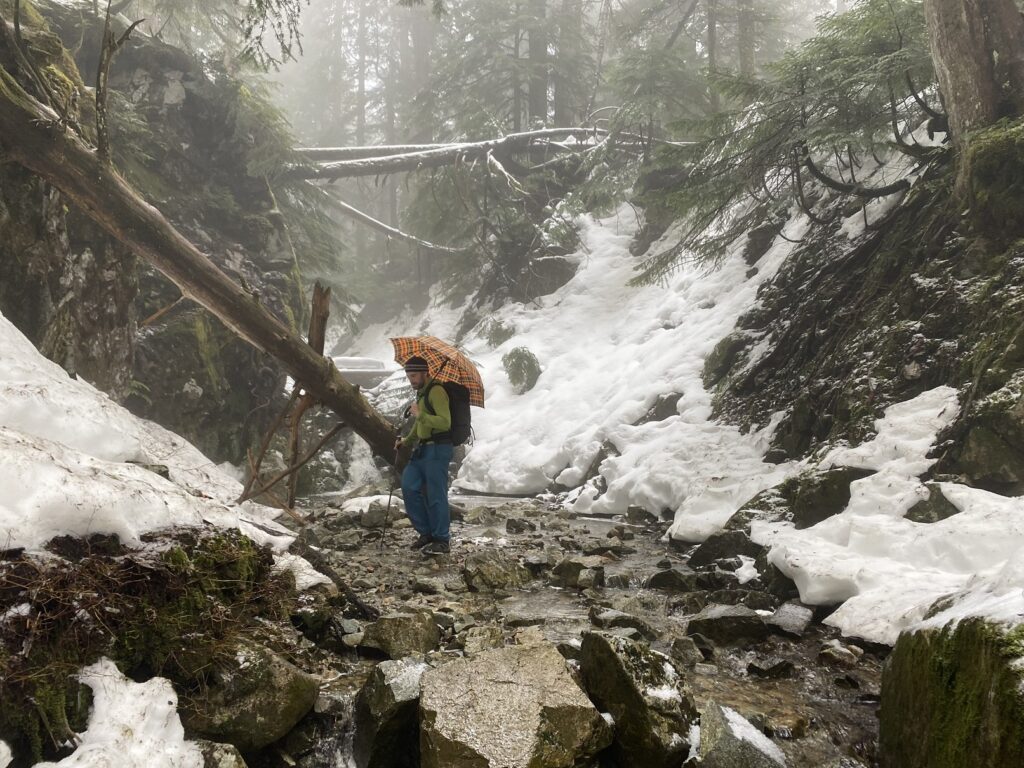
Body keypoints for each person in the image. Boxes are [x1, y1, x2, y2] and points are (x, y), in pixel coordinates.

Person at [394, 356, 454, 555]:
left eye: (414, 375)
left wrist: (421, 414)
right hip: (422, 449)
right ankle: (426, 532)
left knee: (437, 495)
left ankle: (442, 539)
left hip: (438, 449)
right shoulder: (422, 393)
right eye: (408, 376)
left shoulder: (437, 391)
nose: (411, 379)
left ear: (425, 373)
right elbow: (420, 426)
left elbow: (445, 422)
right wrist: (406, 441)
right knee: (409, 487)